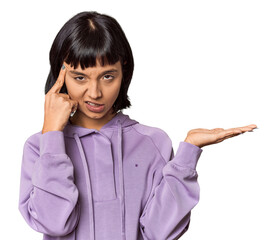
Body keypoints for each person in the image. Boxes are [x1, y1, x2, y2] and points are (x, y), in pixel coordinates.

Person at [18, 11, 257, 240]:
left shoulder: (152, 142)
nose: (95, 92)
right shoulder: (39, 147)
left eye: (108, 76)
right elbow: (53, 223)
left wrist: (187, 154)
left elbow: (158, 232)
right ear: (60, 74)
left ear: (124, 71)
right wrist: (52, 134)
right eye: (80, 77)